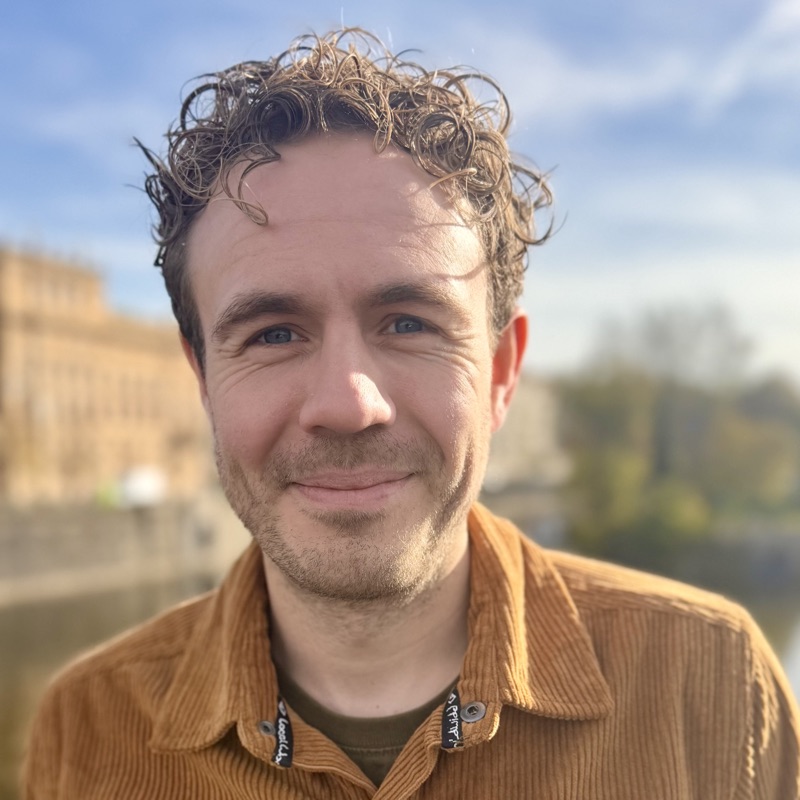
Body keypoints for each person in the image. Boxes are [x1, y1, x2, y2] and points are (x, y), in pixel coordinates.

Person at [24, 28, 799, 799]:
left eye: (409, 323)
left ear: (500, 371)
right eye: (275, 334)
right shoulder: (87, 729)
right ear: (203, 380)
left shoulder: (715, 685)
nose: (347, 405)